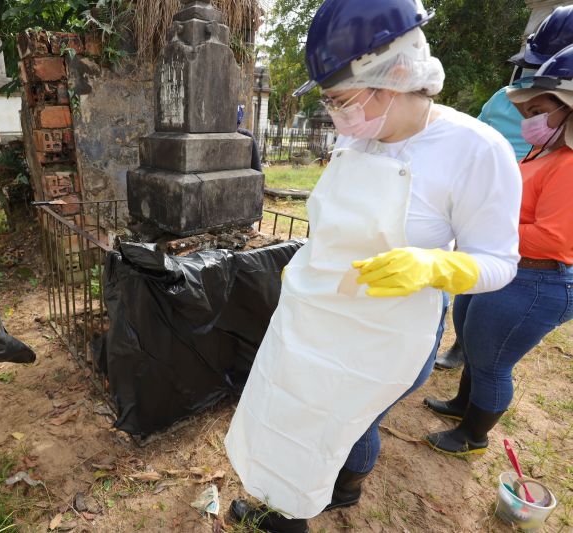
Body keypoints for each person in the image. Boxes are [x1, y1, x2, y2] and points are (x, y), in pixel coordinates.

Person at [223, 1, 522, 531]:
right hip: (316, 313)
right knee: (289, 407)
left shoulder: (476, 150)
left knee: (343, 422)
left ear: (397, 76)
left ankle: (302, 506)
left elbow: (499, 262)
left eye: (342, 100)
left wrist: (435, 266)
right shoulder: (357, 132)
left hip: (387, 333)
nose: (338, 115)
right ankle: (327, 489)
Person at [424, 44, 573, 456]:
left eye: (541, 110)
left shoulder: (570, 165)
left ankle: (473, 435)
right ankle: (462, 406)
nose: (531, 120)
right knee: (473, 341)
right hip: (509, 266)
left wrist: (488, 228)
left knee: (492, 360)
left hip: (537, 277)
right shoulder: (549, 151)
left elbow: (554, 237)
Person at [436, 5, 573, 370]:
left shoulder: (565, 159)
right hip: (491, 211)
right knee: (470, 301)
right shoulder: (507, 99)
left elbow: (554, 234)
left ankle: (477, 358)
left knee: (492, 341)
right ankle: (464, 345)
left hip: (526, 241)